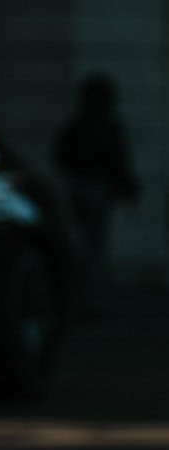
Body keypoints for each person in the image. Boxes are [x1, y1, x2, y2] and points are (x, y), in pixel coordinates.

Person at [53, 73, 138, 313]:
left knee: (85, 244)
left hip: (81, 187)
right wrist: (126, 186)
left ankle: (82, 296)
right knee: (94, 246)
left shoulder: (77, 125)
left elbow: (60, 157)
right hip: (96, 189)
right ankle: (89, 298)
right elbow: (118, 160)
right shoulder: (106, 126)